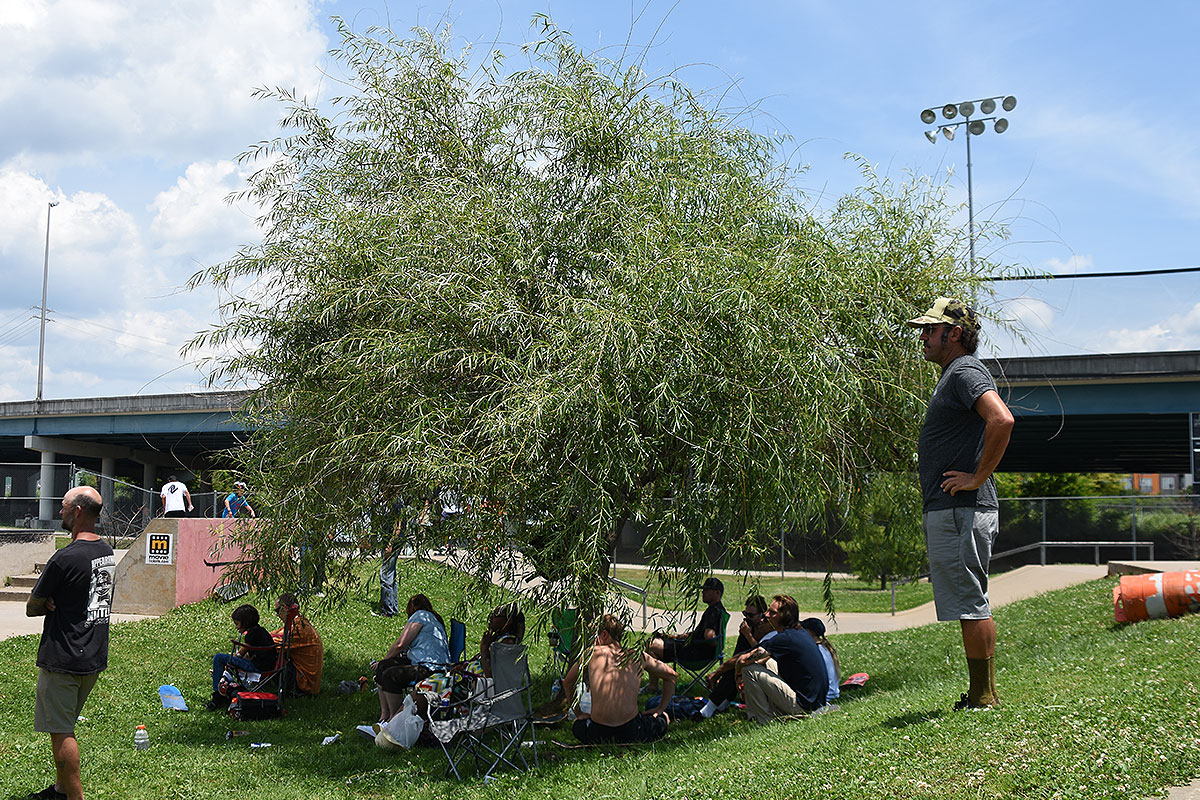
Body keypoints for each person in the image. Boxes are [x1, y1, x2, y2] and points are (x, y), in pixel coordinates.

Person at [907, 298, 1014, 711]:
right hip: (955, 510)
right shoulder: (954, 374)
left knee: (971, 601)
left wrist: (977, 477)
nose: (923, 337)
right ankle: (980, 693)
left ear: (953, 334)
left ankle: (984, 697)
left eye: (930, 330)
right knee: (970, 599)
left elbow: (1001, 419)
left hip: (961, 510)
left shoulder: (965, 370)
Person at [25, 486, 115, 800]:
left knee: (61, 731)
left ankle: (74, 797)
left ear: (77, 511)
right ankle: (60, 788)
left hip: (63, 658)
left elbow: (32, 605)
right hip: (92, 655)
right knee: (65, 723)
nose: (60, 512)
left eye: (63, 507)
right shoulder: (105, 551)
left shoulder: (65, 557)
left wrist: (47, 601)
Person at [562, 614, 676, 745]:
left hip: (597, 733)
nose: (592, 641)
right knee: (664, 718)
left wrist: (579, 713)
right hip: (632, 732)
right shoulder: (637, 655)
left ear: (604, 634)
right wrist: (660, 709)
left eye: (594, 636)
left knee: (577, 724)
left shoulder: (592, 653)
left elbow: (568, 682)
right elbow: (671, 675)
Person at [735, 594, 827, 724]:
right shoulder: (798, 633)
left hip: (804, 706)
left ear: (785, 616)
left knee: (749, 670)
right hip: (815, 702)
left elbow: (743, 660)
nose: (766, 615)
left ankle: (763, 721)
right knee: (767, 661)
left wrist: (737, 674)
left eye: (772, 613)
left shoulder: (785, 639)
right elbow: (760, 656)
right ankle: (770, 712)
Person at [372, 594, 450, 722]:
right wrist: (384, 663)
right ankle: (383, 717)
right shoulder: (435, 618)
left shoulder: (420, 615)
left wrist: (383, 660)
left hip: (430, 667)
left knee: (391, 675)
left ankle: (394, 720)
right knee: (384, 667)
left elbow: (401, 644)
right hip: (431, 663)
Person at [646, 576, 726, 692]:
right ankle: (657, 685)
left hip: (695, 653)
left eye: (707, 590)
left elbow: (709, 636)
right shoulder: (718, 609)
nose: (703, 592)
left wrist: (709, 641)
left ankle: (654, 686)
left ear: (717, 593)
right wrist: (676, 637)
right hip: (696, 649)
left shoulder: (713, 612)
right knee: (656, 644)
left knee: (650, 645)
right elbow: (700, 634)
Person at [705, 593, 772, 709]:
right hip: (746, 664)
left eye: (751, 615)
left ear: (762, 614)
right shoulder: (749, 628)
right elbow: (738, 655)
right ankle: (721, 702)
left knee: (737, 666)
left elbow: (760, 652)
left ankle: (712, 706)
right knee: (735, 667)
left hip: (765, 667)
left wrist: (748, 635)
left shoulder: (768, 628)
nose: (747, 618)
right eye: (745, 614)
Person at [206, 604, 277, 710]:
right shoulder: (262, 631)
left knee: (219, 658)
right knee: (227, 661)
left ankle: (218, 695)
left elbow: (240, 655)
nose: (236, 627)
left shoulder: (251, 634)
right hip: (269, 665)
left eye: (237, 623)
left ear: (246, 622)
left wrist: (229, 664)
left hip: (258, 668)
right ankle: (224, 688)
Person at [270, 593, 323, 695]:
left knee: (267, 654)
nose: (277, 615)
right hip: (307, 681)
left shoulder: (298, 628)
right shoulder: (299, 622)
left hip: (304, 684)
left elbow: (271, 644)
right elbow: (275, 634)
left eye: (277, 611)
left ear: (285, 608)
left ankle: (253, 682)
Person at [800, 617, 840, 706]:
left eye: (804, 629)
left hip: (826, 697)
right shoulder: (825, 647)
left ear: (811, 632)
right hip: (833, 693)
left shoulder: (817, 651)